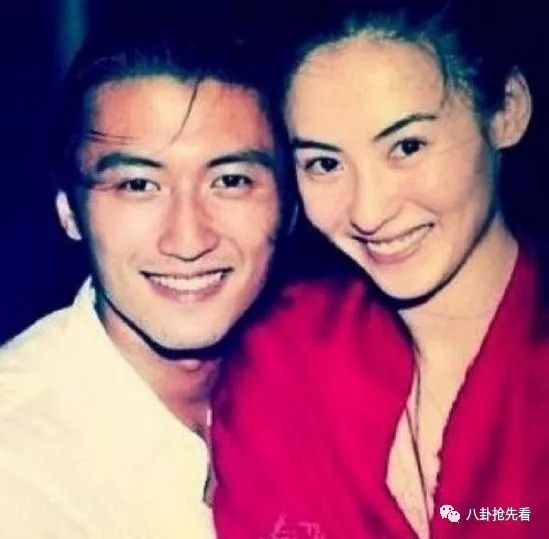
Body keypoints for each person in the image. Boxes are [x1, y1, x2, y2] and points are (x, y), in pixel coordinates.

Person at [213, 1, 549, 538]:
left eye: (407, 147)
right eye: (325, 164)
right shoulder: (281, 361)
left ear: (507, 110)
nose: (368, 212)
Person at [0, 8, 291, 537]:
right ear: (69, 212)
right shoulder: (18, 464)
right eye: (138, 185)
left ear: (290, 208)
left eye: (230, 181)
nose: (188, 240)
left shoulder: (331, 386)